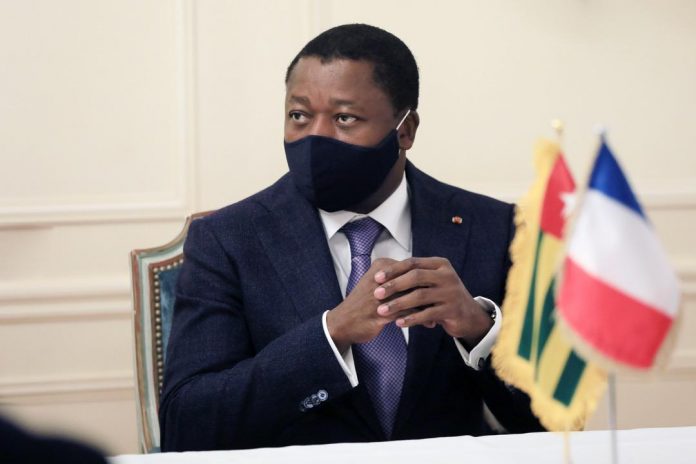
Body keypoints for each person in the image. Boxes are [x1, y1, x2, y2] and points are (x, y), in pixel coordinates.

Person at [160, 23, 543, 451]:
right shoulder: (228, 240)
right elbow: (186, 425)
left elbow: (555, 420)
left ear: (405, 131)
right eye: (299, 116)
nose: (316, 137)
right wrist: (331, 334)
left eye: (345, 118)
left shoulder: (495, 228)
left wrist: (480, 329)